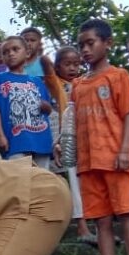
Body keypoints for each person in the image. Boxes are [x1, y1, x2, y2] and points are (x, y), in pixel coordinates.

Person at [74, 19, 129, 255]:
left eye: (91, 43)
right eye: (81, 45)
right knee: (101, 220)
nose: (85, 50)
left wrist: (125, 148)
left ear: (107, 43)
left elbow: (128, 113)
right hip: (88, 161)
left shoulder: (118, 76)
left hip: (115, 156)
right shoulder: (79, 84)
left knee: (127, 213)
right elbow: (73, 120)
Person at [0, 36, 54, 169]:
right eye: (5, 52)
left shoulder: (37, 81)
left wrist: (46, 106)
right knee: (17, 181)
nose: (10, 53)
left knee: (42, 181)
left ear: (27, 53)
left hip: (41, 139)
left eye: (15, 49)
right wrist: (0, 136)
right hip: (15, 141)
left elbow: (49, 108)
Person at [52, 46, 93, 242]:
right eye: (67, 64)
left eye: (76, 64)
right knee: (58, 182)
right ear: (57, 66)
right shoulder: (52, 84)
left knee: (76, 181)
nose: (72, 68)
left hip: (78, 139)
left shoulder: (83, 84)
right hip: (57, 138)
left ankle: (83, 225)